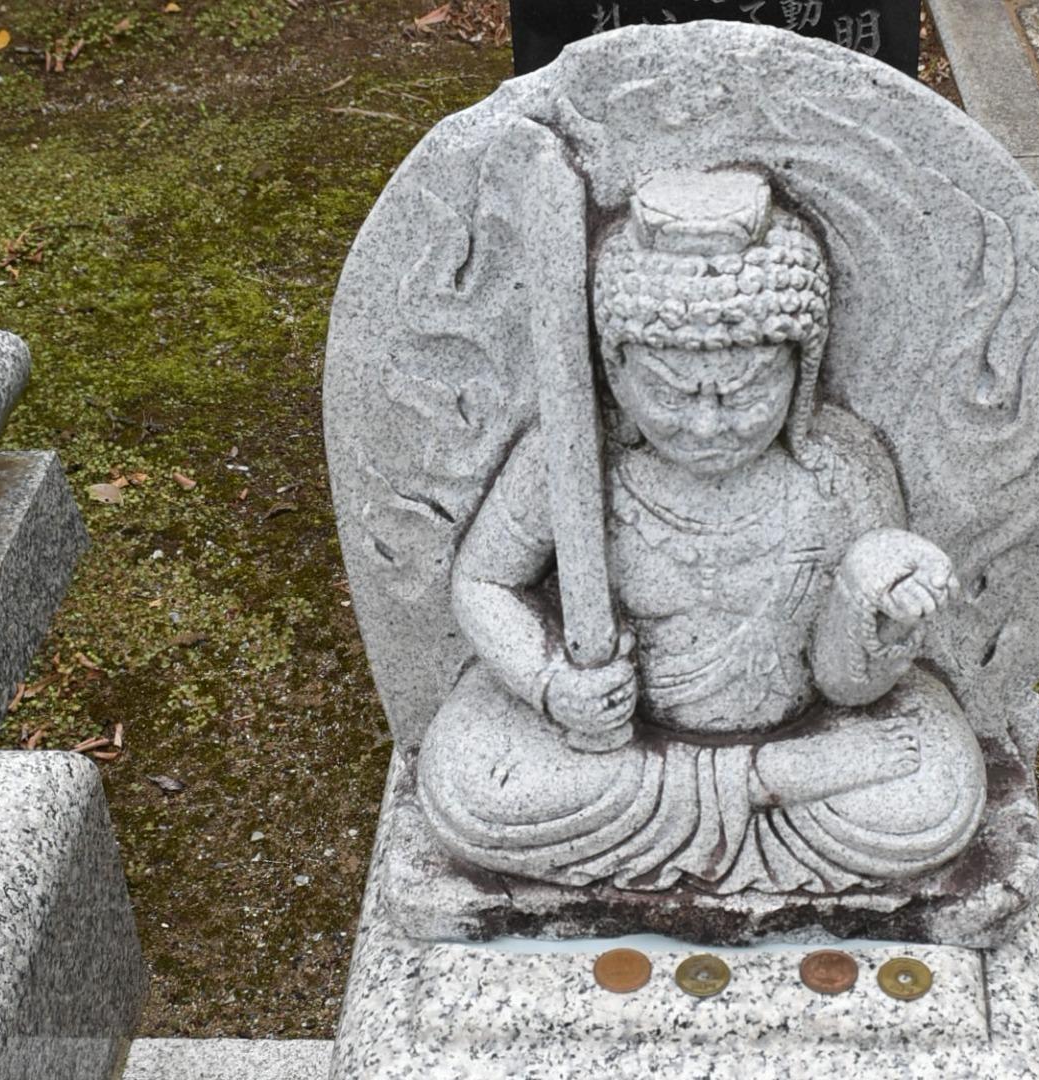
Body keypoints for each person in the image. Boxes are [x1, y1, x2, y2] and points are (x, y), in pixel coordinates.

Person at [418, 169, 985, 894]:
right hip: (624, 758)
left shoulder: (840, 471)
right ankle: (764, 784)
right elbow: (483, 580)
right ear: (615, 372)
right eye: (671, 391)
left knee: (929, 801)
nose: (709, 424)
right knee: (475, 789)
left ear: (801, 372)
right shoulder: (572, 459)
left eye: (747, 391)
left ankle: (747, 788)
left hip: (787, 728)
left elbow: (847, 689)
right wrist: (551, 685)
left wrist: (874, 602)